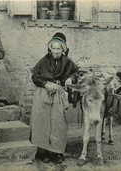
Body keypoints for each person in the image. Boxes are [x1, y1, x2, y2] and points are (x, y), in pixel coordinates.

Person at [30, 32, 79, 164]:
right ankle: (43, 152)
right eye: (54, 48)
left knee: (58, 123)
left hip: (58, 94)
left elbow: (76, 73)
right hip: (43, 93)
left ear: (63, 50)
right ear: (50, 48)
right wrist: (46, 84)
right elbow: (35, 76)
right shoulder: (44, 61)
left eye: (59, 49)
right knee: (43, 122)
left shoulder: (67, 61)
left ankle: (57, 152)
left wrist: (70, 78)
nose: (56, 51)